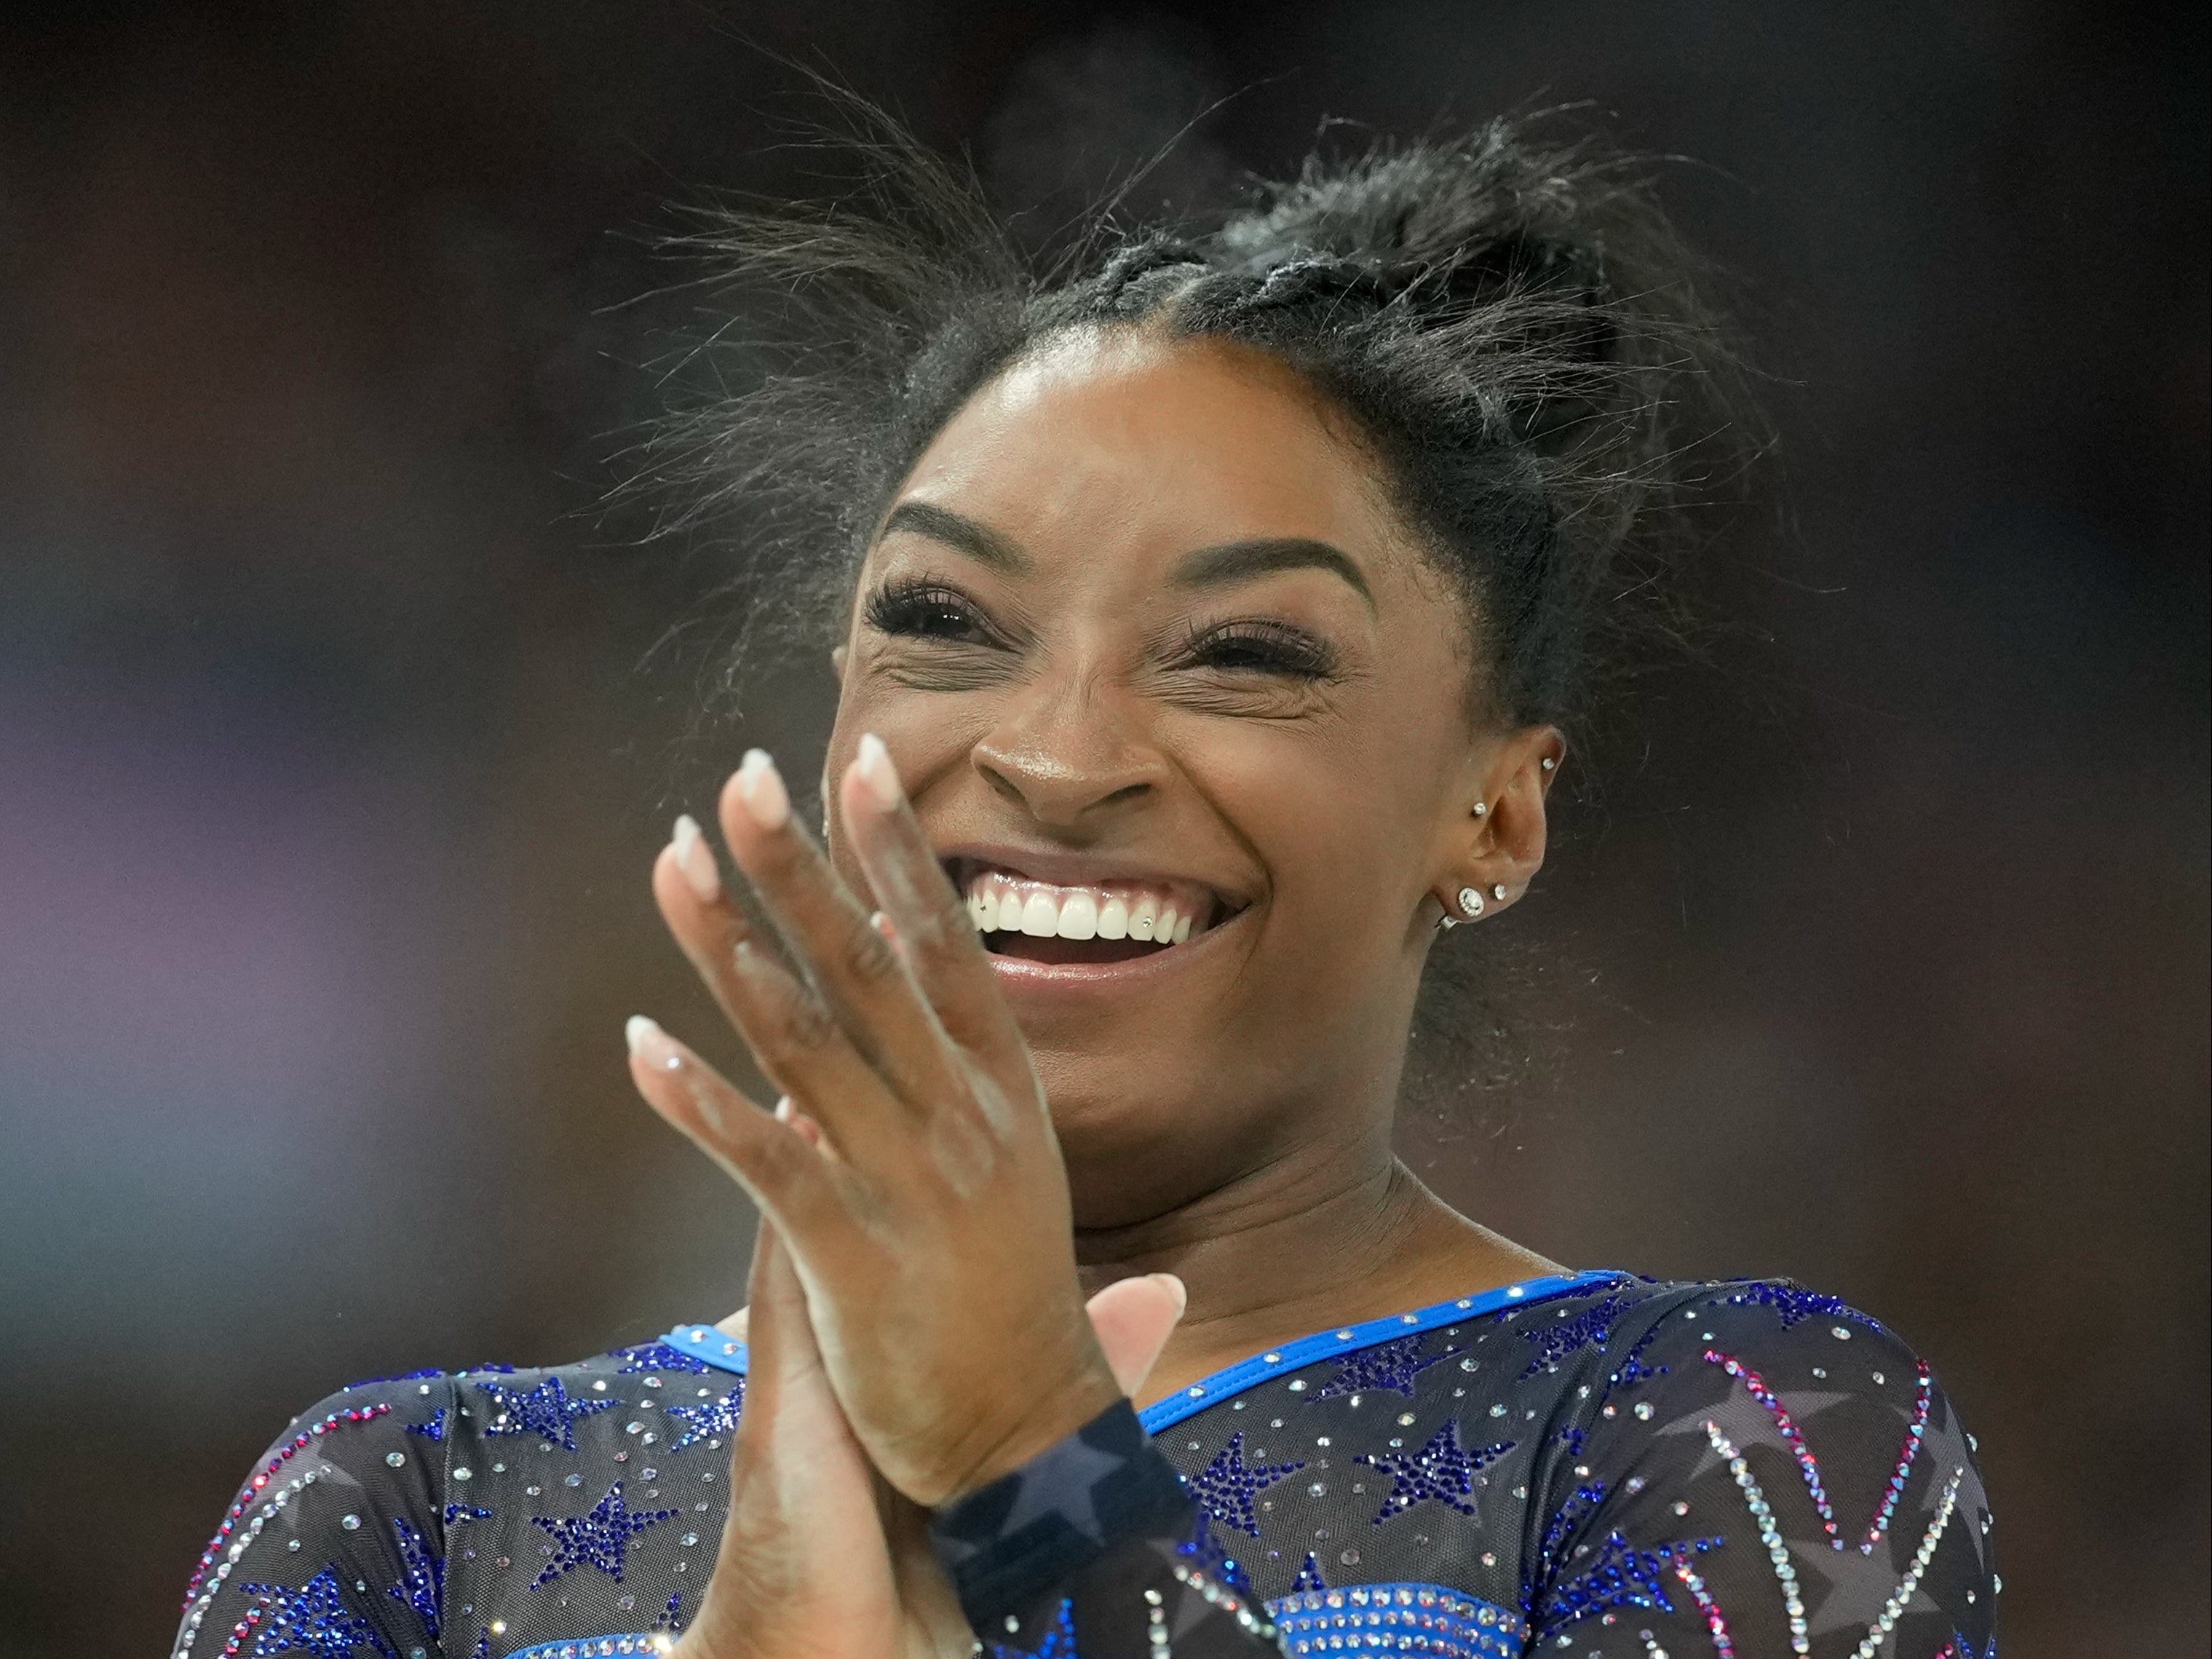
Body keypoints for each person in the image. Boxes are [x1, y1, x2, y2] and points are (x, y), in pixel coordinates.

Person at [172, 114, 1997, 1659]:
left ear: (1494, 816)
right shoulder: (409, 1509)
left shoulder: (1730, 1435)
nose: (1054, 757)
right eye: (944, 624)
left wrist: (1025, 1465)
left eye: (1241, 655)